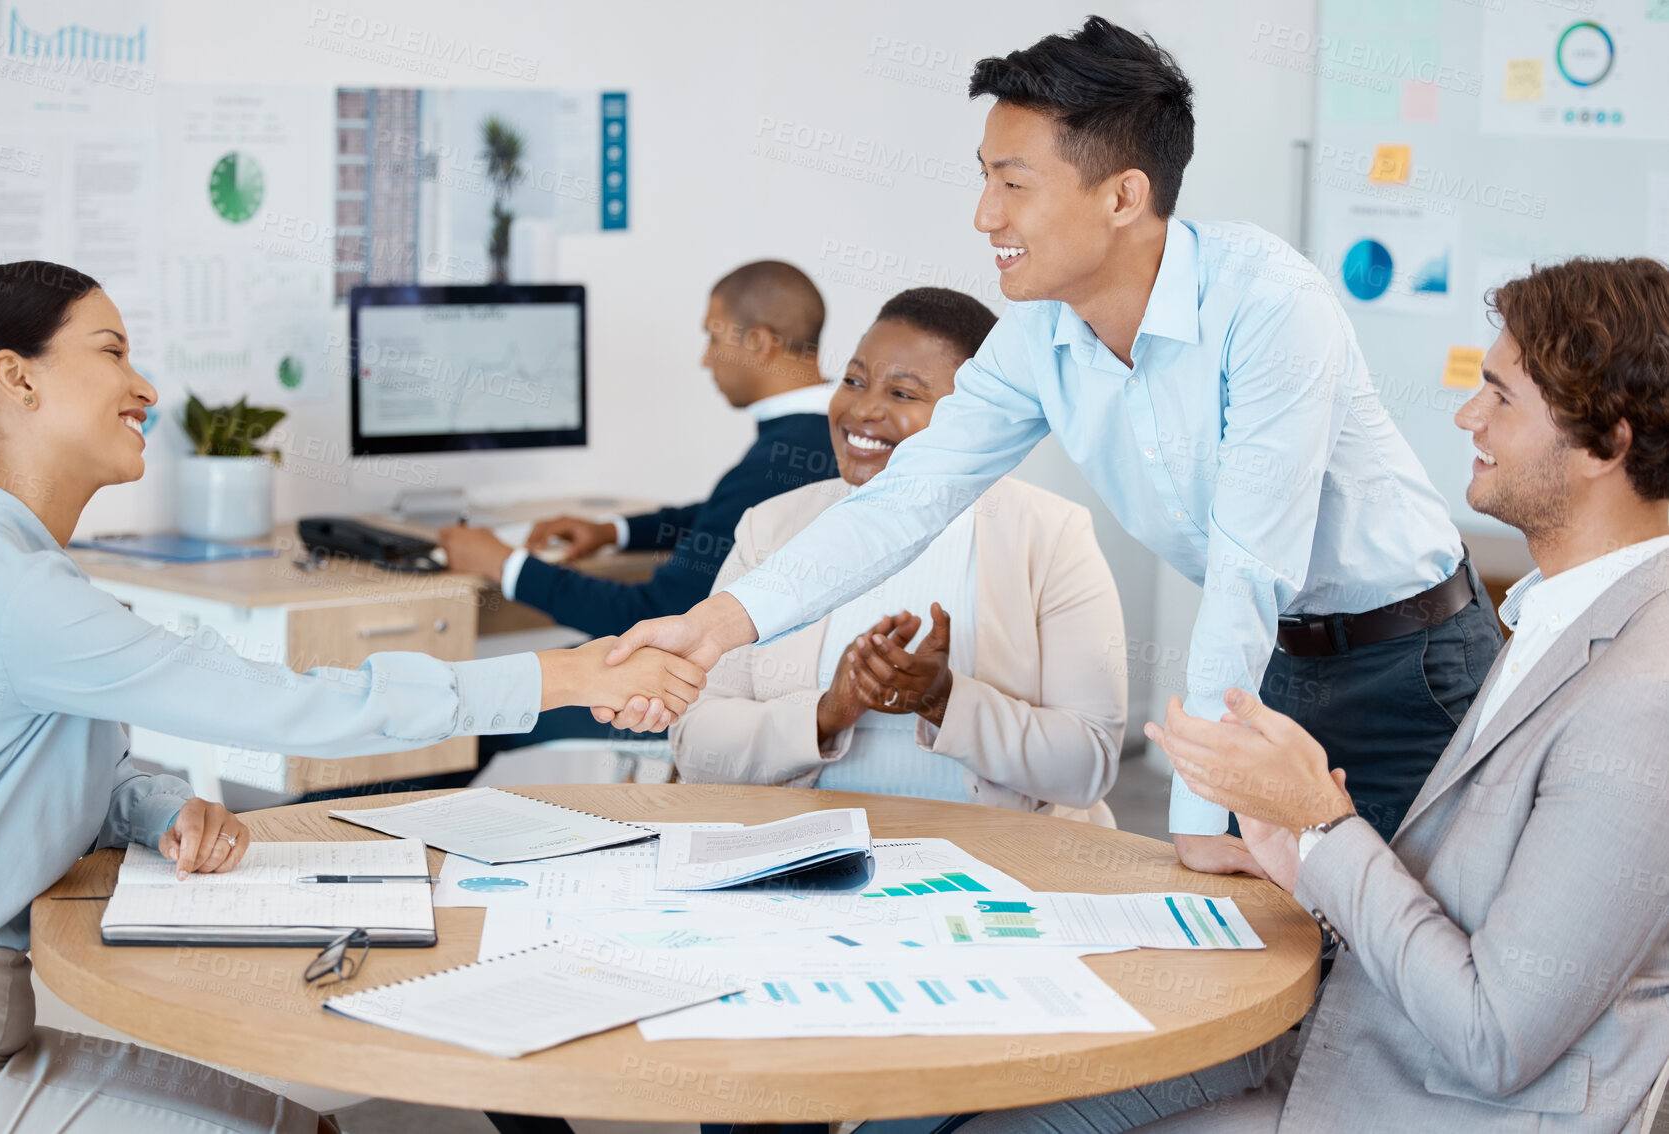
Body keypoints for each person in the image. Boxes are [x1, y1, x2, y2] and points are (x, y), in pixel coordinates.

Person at [608, 18, 1504, 877]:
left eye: (1012, 183)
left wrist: (1194, 815)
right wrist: (714, 627)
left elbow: (1249, 567)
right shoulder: (1040, 340)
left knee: (1402, 960)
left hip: (1410, 662)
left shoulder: (1269, 303)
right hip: (1276, 663)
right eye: (983, 179)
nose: (983, 215)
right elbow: (900, 500)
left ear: (1122, 195)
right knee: (1278, 952)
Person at [0, 262, 704, 1133]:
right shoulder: (17, 594)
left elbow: (29, 767)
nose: (144, 385)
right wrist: (568, 677)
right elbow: (285, 703)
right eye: (112, 352)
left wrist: (161, 805)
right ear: (15, 378)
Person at [941, 257, 1669, 1132]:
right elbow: (1480, 904)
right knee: (985, 1109)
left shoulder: (1642, 699)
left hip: (1417, 1101)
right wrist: (1302, 852)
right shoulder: (1562, 617)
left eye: (1502, 397)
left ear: (1609, 443)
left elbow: (1497, 1037)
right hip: (1358, 1042)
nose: (1466, 414)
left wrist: (1324, 825)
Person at [673, 288, 1125, 813]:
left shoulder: (1052, 535)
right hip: (809, 865)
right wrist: (824, 714)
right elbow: (694, 743)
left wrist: (944, 701)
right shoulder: (773, 525)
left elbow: (1089, 765)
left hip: (997, 869)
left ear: (976, 418)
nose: (862, 410)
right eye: (853, 380)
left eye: (903, 394)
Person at [436, 259, 838, 638]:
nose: (706, 360)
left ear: (759, 342)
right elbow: (730, 517)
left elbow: (651, 617)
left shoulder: (776, 461)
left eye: (713, 338)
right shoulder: (830, 435)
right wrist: (615, 530)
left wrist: (503, 564)